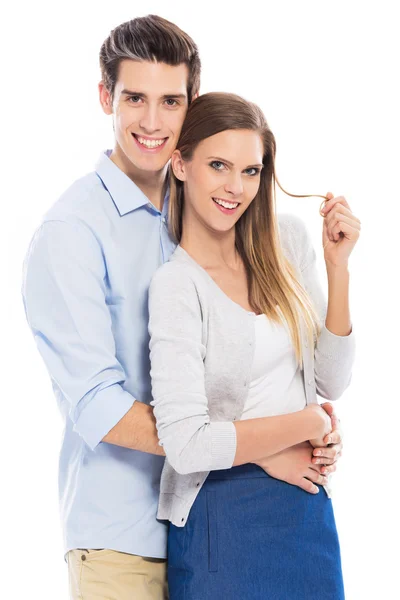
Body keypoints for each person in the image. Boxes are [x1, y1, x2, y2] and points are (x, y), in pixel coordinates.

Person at [22, 14, 345, 600]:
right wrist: (258, 449)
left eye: (170, 101)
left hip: (212, 524)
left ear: (190, 103)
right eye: (134, 99)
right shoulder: (70, 233)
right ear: (106, 98)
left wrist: (288, 430)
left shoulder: (210, 200)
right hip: (123, 539)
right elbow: (99, 405)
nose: (152, 122)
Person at [148, 92, 359, 599]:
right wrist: (307, 425)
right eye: (218, 165)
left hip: (306, 509)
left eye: (251, 171)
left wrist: (338, 267)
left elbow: (331, 378)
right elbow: (186, 442)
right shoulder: (177, 286)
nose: (234, 187)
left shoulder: (286, 243)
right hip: (220, 515)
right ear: (180, 163)